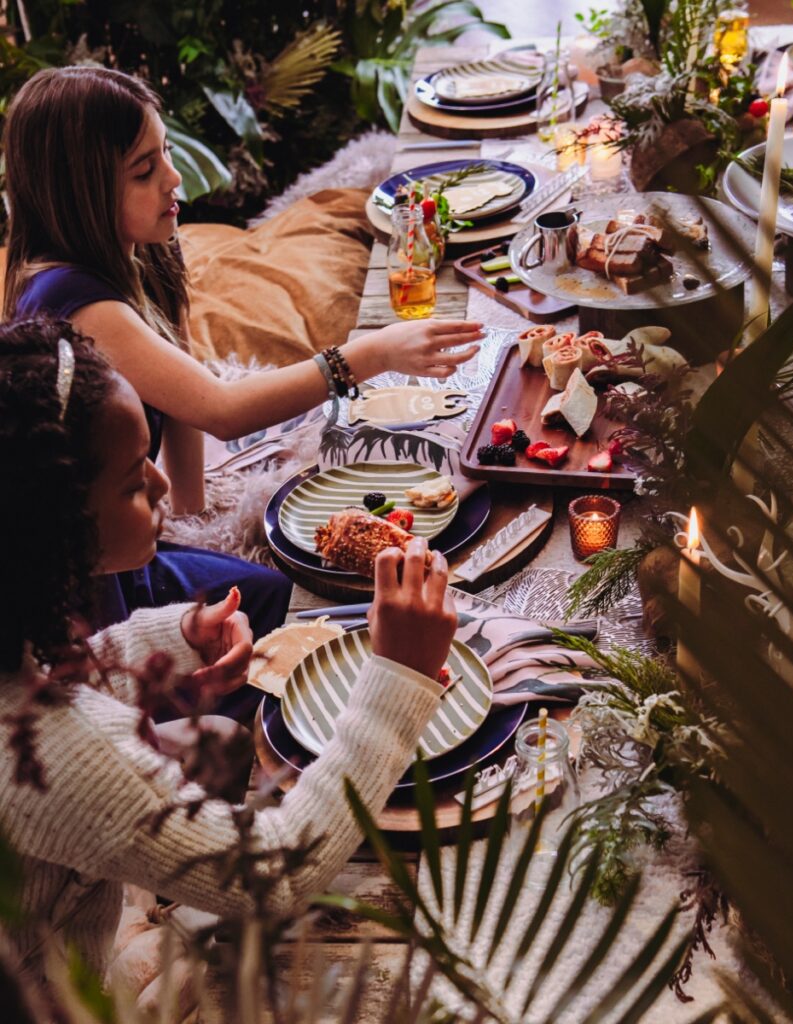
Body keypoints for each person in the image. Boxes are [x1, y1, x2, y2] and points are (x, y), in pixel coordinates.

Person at [0, 316, 457, 988]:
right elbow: (275, 873)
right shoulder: (52, 751)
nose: (161, 487)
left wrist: (166, 640)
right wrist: (397, 679)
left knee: (217, 736)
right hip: (53, 998)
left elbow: (50, 680)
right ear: (53, 527)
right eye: (132, 483)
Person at [1, 66, 482, 679]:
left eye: (166, 153)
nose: (174, 180)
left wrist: (195, 512)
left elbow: (175, 397)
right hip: (94, 579)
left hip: (134, 534)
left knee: (275, 595)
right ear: (80, 193)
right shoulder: (78, 302)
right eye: (144, 172)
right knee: (288, 607)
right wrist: (369, 354)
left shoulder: (141, 254)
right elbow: (219, 408)